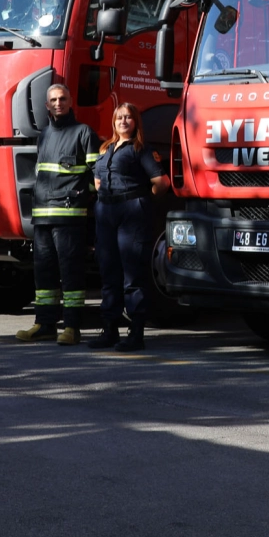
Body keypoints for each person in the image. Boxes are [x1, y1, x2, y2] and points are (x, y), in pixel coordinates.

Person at [16, 84, 99, 346]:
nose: (58, 103)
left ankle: (72, 327)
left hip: (70, 216)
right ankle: (45, 324)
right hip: (42, 217)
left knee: (71, 271)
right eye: (53, 99)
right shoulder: (44, 135)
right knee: (44, 272)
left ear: (71, 101)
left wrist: (77, 194)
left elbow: (96, 176)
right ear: (47, 105)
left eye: (63, 98)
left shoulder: (83, 132)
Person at [90, 102, 169, 351]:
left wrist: (141, 201)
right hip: (106, 212)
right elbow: (97, 180)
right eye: (119, 117)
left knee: (132, 274)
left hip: (131, 212)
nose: (123, 121)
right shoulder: (105, 149)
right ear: (113, 122)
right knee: (108, 272)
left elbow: (161, 183)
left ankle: (136, 333)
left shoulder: (141, 149)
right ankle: (110, 330)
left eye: (128, 117)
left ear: (135, 122)